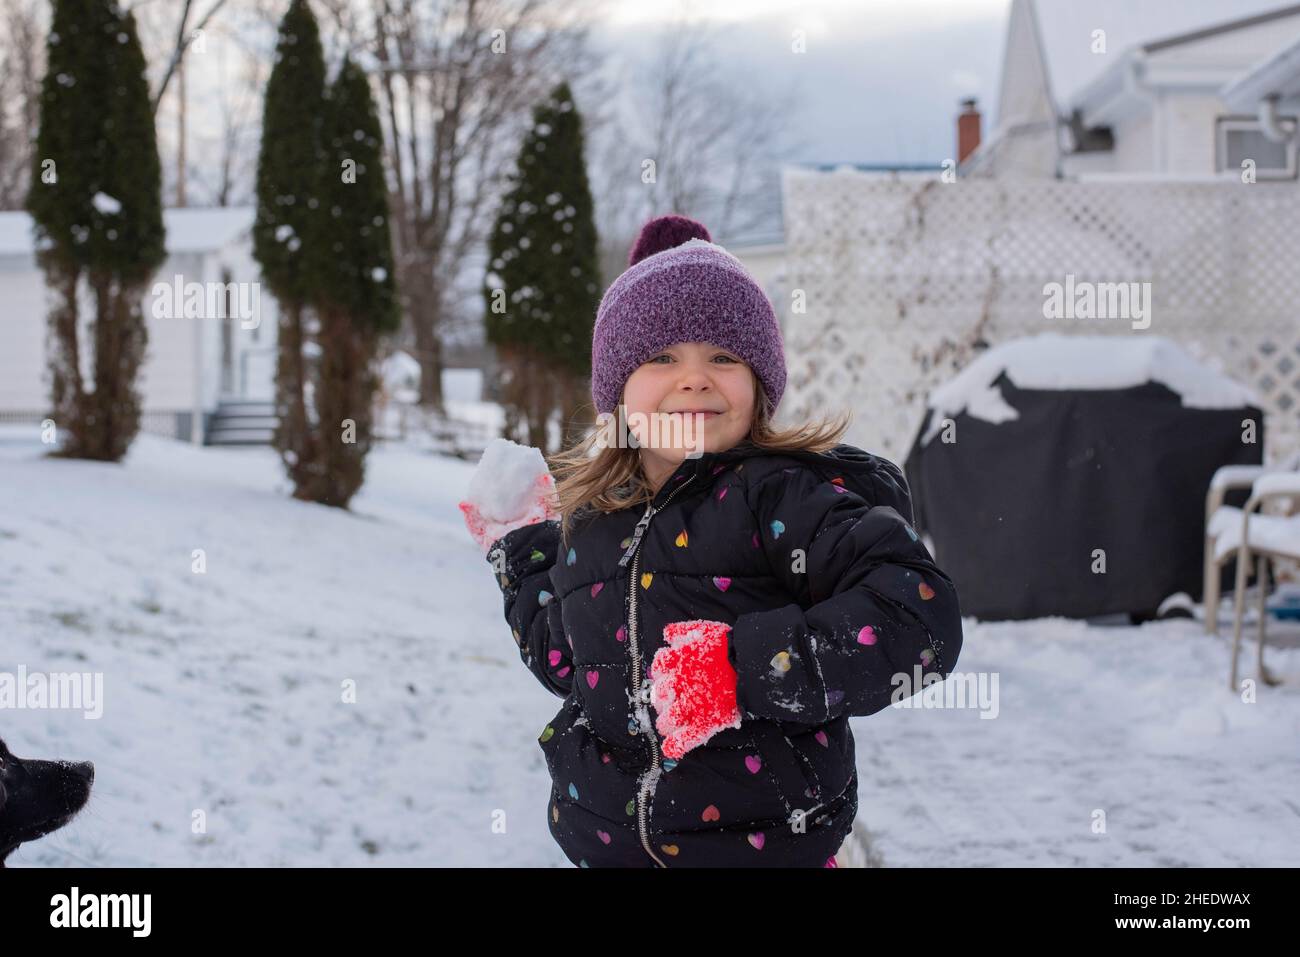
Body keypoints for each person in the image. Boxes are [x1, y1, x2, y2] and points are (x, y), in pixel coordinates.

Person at [459, 214, 964, 867]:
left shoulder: (781, 498)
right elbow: (566, 661)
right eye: (661, 356)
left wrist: (740, 669)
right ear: (616, 390)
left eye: (723, 357)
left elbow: (916, 618)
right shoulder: (596, 519)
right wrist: (520, 548)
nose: (694, 377)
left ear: (758, 388)